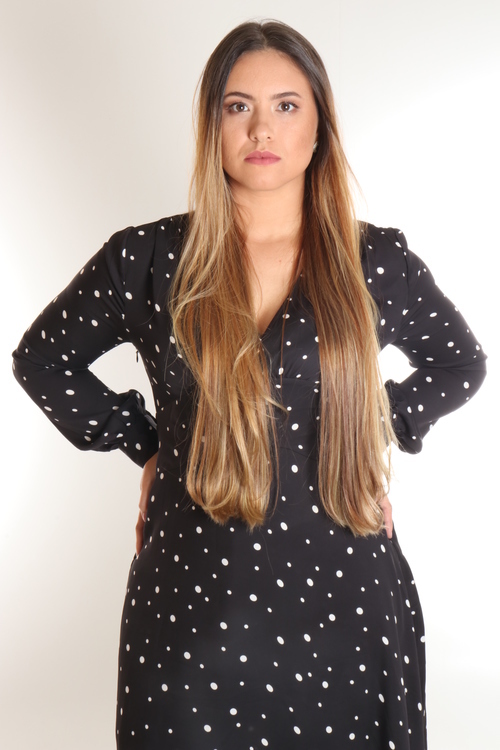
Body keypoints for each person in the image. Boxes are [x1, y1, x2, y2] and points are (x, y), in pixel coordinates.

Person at [12, 19, 486, 750]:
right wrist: (151, 445)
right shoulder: (147, 259)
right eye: (238, 106)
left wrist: (364, 434)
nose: (262, 127)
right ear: (212, 125)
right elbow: (42, 359)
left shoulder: (373, 261)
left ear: (320, 125)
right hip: (192, 606)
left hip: (346, 602)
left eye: (286, 105)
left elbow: (460, 362)